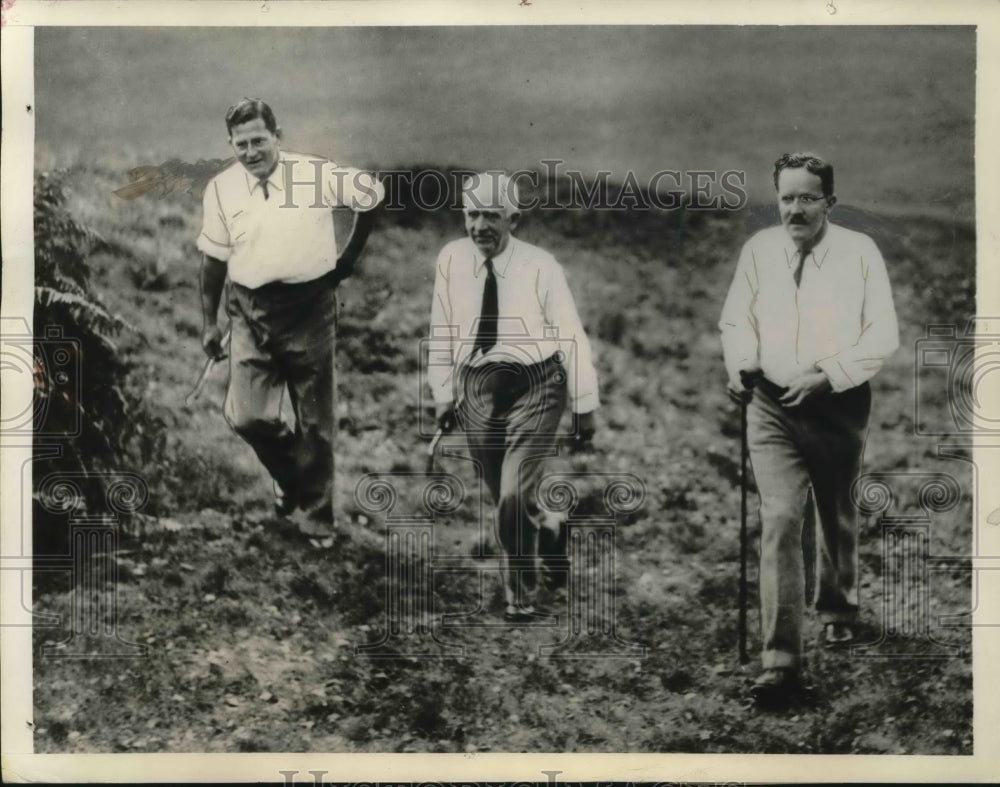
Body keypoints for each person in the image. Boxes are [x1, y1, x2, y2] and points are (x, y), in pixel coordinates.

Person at [719, 152, 899, 706]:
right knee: (780, 518)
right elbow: (735, 319)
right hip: (770, 406)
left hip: (837, 405)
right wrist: (740, 365)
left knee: (836, 513)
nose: (795, 209)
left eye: (807, 198)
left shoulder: (859, 253)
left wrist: (827, 376)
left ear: (829, 201)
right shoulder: (759, 251)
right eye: (787, 198)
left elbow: (882, 336)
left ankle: (839, 605)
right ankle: (781, 663)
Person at [197, 98, 384, 539]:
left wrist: (347, 261)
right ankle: (290, 479)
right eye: (240, 144)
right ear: (231, 145)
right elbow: (212, 261)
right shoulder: (222, 189)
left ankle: (318, 518)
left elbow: (371, 195)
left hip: (309, 308)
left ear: (277, 136)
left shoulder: (314, 174)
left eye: (259, 140)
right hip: (249, 310)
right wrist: (209, 322)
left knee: (315, 420)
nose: (250, 152)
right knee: (246, 416)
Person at [427, 172, 600, 621]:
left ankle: (519, 591)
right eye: (471, 214)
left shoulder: (540, 266)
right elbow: (440, 330)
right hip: (477, 387)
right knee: (508, 498)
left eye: (491, 215)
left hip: (537, 385)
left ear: (513, 218)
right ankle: (548, 524)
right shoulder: (451, 260)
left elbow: (572, 336)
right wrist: (443, 394)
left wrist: (585, 405)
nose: (479, 225)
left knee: (509, 496)